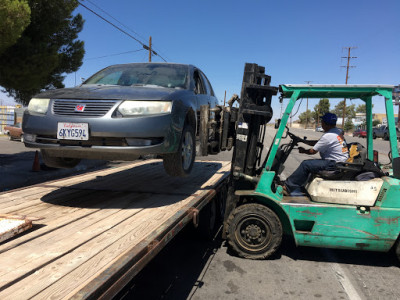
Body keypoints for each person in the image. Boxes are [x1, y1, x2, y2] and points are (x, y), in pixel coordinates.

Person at [283, 112, 349, 196]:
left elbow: (313, 151)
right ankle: (301, 186)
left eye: (322, 122)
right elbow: (319, 143)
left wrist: (303, 150)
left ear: (325, 124)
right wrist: (303, 141)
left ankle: (288, 186)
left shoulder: (328, 136)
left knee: (306, 164)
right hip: (340, 162)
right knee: (312, 165)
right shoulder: (336, 132)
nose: (321, 124)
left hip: (333, 164)